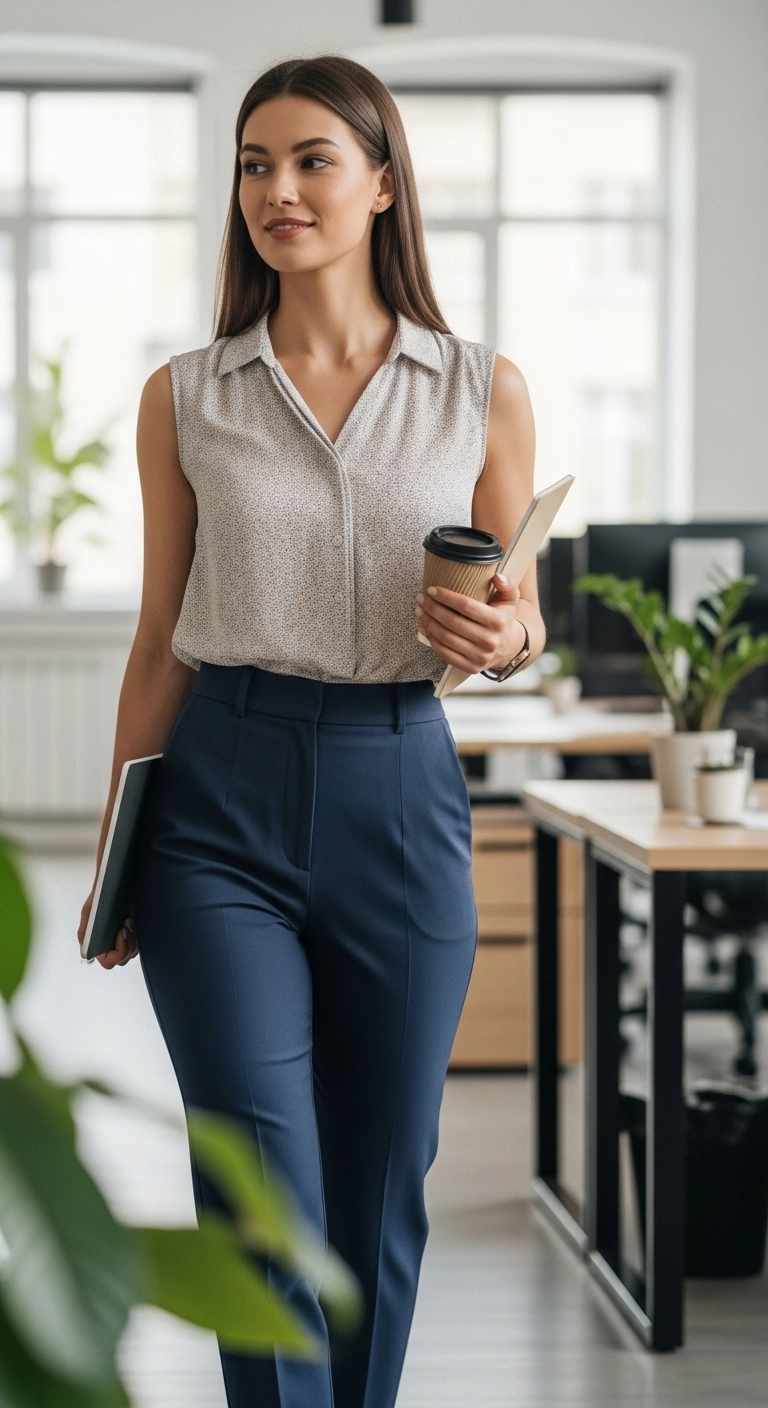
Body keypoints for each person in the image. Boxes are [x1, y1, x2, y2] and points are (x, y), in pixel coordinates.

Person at [78, 54, 544, 1408]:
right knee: (259, 1182)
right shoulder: (189, 396)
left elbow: (524, 608)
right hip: (217, 804)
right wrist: (123, 846)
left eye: (313, 160)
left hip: (398, 788)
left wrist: (507, 637)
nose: (278, 190)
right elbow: (161, 633)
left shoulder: (480, 388)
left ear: (385, 185)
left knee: (381, 1180)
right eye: (254, 164)